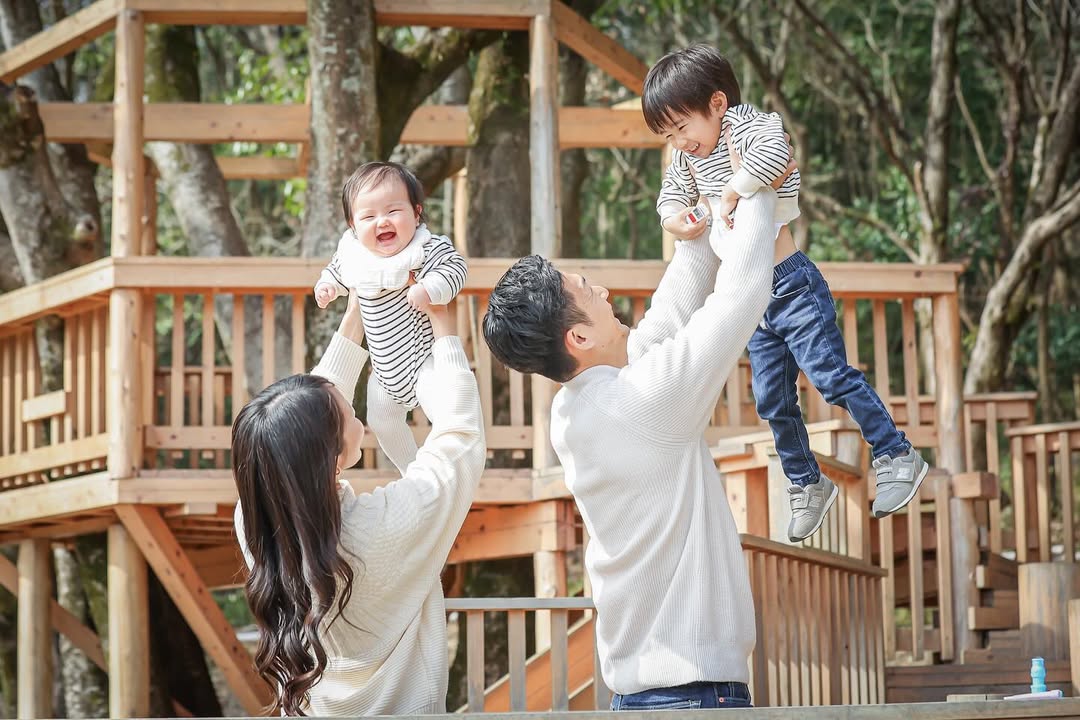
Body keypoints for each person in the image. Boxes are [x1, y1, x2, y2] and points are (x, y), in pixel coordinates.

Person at [483, 135, 799, 706]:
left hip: (651, 692)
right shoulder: (641, 405)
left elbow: (669, 314)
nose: (602, 289)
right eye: (586, 290)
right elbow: (741, 297)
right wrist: (755, 186)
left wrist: (698, 220)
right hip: (693, 694)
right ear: (577, 337)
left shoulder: (581, 404)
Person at [643, 44, 929, 542]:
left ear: (716, 104)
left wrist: (733, 189)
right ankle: (807, 484)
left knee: (830, 377)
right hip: (752, 298)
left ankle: (895, 452)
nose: (680, 141)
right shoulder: (685, 157)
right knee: (773, 400)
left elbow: (778, 157)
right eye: (668, 134)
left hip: (791, 283)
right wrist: (676, 220)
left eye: (682, 127)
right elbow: (671, 195)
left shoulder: (751, 127)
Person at [232, 291, 485, 716]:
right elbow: (460, 436)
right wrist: (443, 326)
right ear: (331, 459)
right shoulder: (385, 526)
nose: (362, 422)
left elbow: (300, 424)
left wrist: (359, 311)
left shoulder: (254, 524)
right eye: (350, 416)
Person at [314, 161, 468, 475]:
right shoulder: (356, 257)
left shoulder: (426, 249)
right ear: (353, 226)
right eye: (368, 216)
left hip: (426, 362)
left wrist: (430, 288)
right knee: (381, 420)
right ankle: (411, 470)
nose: (382, 221)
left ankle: (449, 467)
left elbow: (456, 270)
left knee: (444, 410)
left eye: (393, 211)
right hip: (384, 371)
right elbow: (336, 272)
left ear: (416, 212)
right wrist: (327, 286)